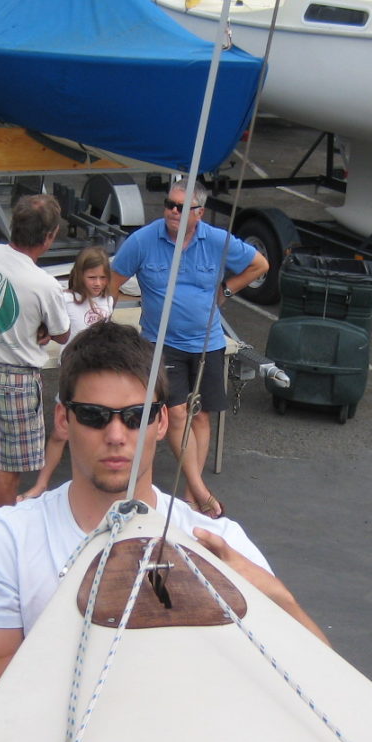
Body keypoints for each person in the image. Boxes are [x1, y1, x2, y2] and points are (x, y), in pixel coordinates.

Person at [0, 321, 326, 729]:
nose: (116, 434)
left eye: (136, 416)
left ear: (162, 422)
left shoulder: (216, 542)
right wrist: (87, 629)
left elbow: (324, 683)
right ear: (63, 419)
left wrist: (267, 592)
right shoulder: (9, 537)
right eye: (94, 416)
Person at [108, 179, 268, 520]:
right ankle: (201, 491)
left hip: (208, 342)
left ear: (200, 212)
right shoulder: (143, 240)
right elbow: (111, 282)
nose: (172, 212)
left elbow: (260, 265)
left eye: (181, 207)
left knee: (203, 415)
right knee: (177, 413)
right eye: (169, 204)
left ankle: (190, 496)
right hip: (161, 342)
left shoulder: (217, 240)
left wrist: (227, 288)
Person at [0, 194, 72, 509]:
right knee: (8, 473)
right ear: (49, 237)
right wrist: (41, 326)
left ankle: (0, 528)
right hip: (15, 382)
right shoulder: (45, 284)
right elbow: (62, 332)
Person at [18, 246, 115, 502]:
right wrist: (41, 332)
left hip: (100, 378)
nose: (98, 283)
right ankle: (41, 484)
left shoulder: (109, 301)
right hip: (73, 374)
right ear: (80, 275)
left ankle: (96, 483)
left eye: (102, 278)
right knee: (61, 432)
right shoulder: (66, 299)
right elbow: (49, 323)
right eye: (92, 277)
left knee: (99, 432)